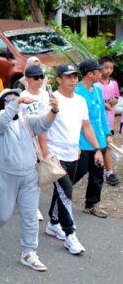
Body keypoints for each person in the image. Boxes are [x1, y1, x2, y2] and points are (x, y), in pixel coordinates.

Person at [0, 89, 58, 272]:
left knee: (30, 217)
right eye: (10, 100)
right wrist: (17, 102)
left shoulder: (26, 121)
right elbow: (3, 121)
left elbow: (44, 124)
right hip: (5, 175)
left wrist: (54, 111)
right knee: (2, 215)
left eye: (16, 99)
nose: (15, 102)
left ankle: (29, 253)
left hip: (29, 176)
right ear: (2, 105)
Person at [44, 64, 98, 255]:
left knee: (62, 192)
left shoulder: (81, 101)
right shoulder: (51, 100)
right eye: (69, 77)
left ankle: (53, 223)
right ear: (59, 79)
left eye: (75, 76)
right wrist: (45, 154)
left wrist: (97, 149)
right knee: (66, 191)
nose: (74, 79)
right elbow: (42, 128)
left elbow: (87, 127)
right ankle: (70, 235)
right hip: (55, 156)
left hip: (72, 154)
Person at [73, 59, 112, 218]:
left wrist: (108, 133)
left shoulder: (97, 89)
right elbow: (75, 121)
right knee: (78, 172)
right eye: (98, 71)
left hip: (99, 141)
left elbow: (102, 113)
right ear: (90, 74)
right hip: (83, 142)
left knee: (97, 176)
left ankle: (91, 204)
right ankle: (61, 190)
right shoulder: (76, 93)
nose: (101, 73)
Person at [97, 57, 120, 186]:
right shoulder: (95, 84)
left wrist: (113, 101)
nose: (109, 70)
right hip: (97, 120)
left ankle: (108, 170)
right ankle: (107, 171)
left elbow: (116, 97)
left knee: (106, 145)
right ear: (99, 68)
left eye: (111, 68)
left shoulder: (114, 83)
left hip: (109, 120)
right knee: (101, 145)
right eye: (106, 67)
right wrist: (102, 105)